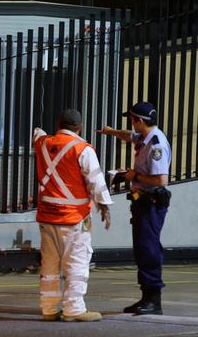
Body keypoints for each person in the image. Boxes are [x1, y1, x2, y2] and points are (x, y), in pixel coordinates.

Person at [34, 109, 112, 322]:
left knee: (49, 265)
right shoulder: (82, 149)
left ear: (58, 123)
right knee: (76, 262)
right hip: (73, 218)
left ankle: (49, 309)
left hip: (47, 217)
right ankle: (74, 309)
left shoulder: (42, 144)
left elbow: (38, 134)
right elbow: (96, 181)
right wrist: (104, 207)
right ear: (80, 127)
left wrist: (42, 133)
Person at [98, 101, 171, 315]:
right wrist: (110, 132)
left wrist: (133, 176)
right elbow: (127, 135)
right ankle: (146, 297)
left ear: (140, 121)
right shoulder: (144, 137)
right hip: (142, 201)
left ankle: (153, 300)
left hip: (152, 202)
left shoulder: (156, 144)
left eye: (132, 119)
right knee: (142, 248)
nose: (131, 124)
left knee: (148, 249)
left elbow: (162, 180)